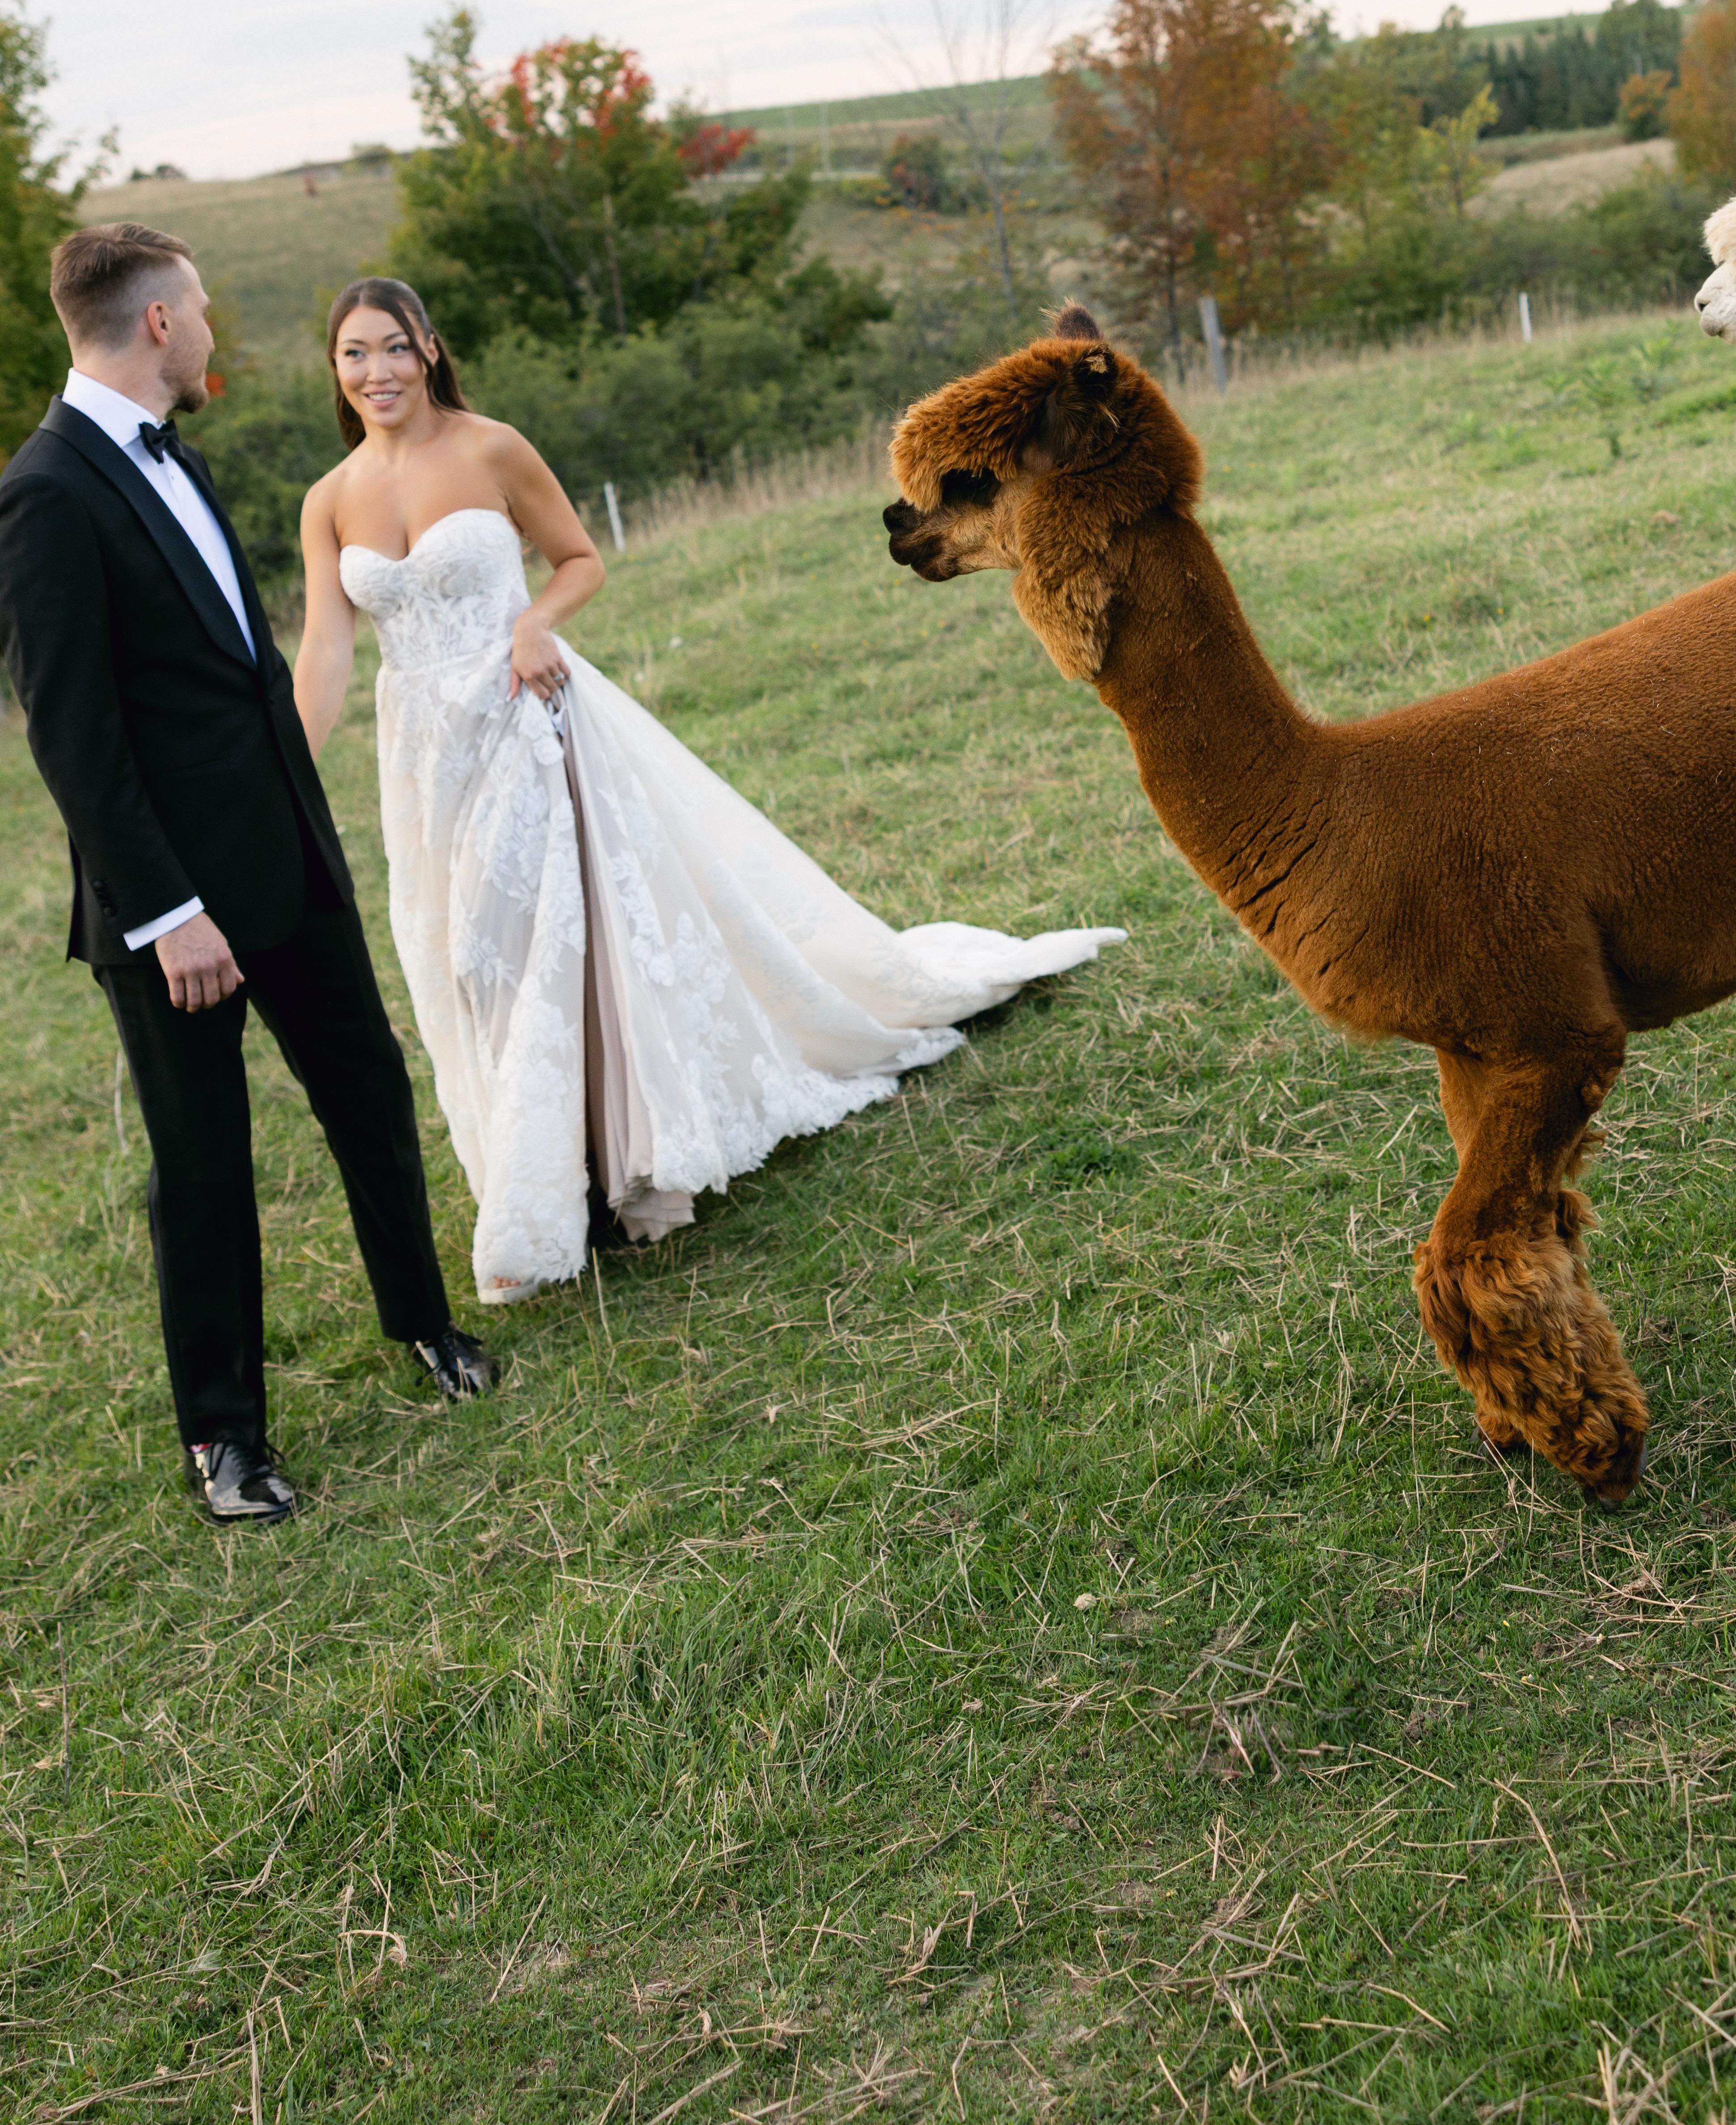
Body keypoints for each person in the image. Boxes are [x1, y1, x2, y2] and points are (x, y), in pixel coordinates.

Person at [295, 277, 1123, 1305]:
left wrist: (533, 621)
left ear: (428, 347)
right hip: (425, 758)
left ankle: (588, 1190)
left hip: (524, 717)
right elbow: (327, 647)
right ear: (336, 373)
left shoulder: (490, 448)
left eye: (391, 348)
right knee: (467, 963)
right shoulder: (328, 500)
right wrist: (287, 767)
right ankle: (547, 1174)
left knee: (544, 945)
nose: (375, 372)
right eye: (353, 357)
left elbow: (579, 558)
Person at [0, 226, 498, 1525]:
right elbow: (72, 733)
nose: (216, 326)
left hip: (286, 856)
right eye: (205, 309)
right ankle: (225, 1441)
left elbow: (231, 677)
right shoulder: (47, 492)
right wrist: (168, 913)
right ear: (158, 322)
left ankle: (427, 1328)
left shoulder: (176, 456)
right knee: (205, 1167)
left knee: (369, 1093)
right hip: (175, 913)